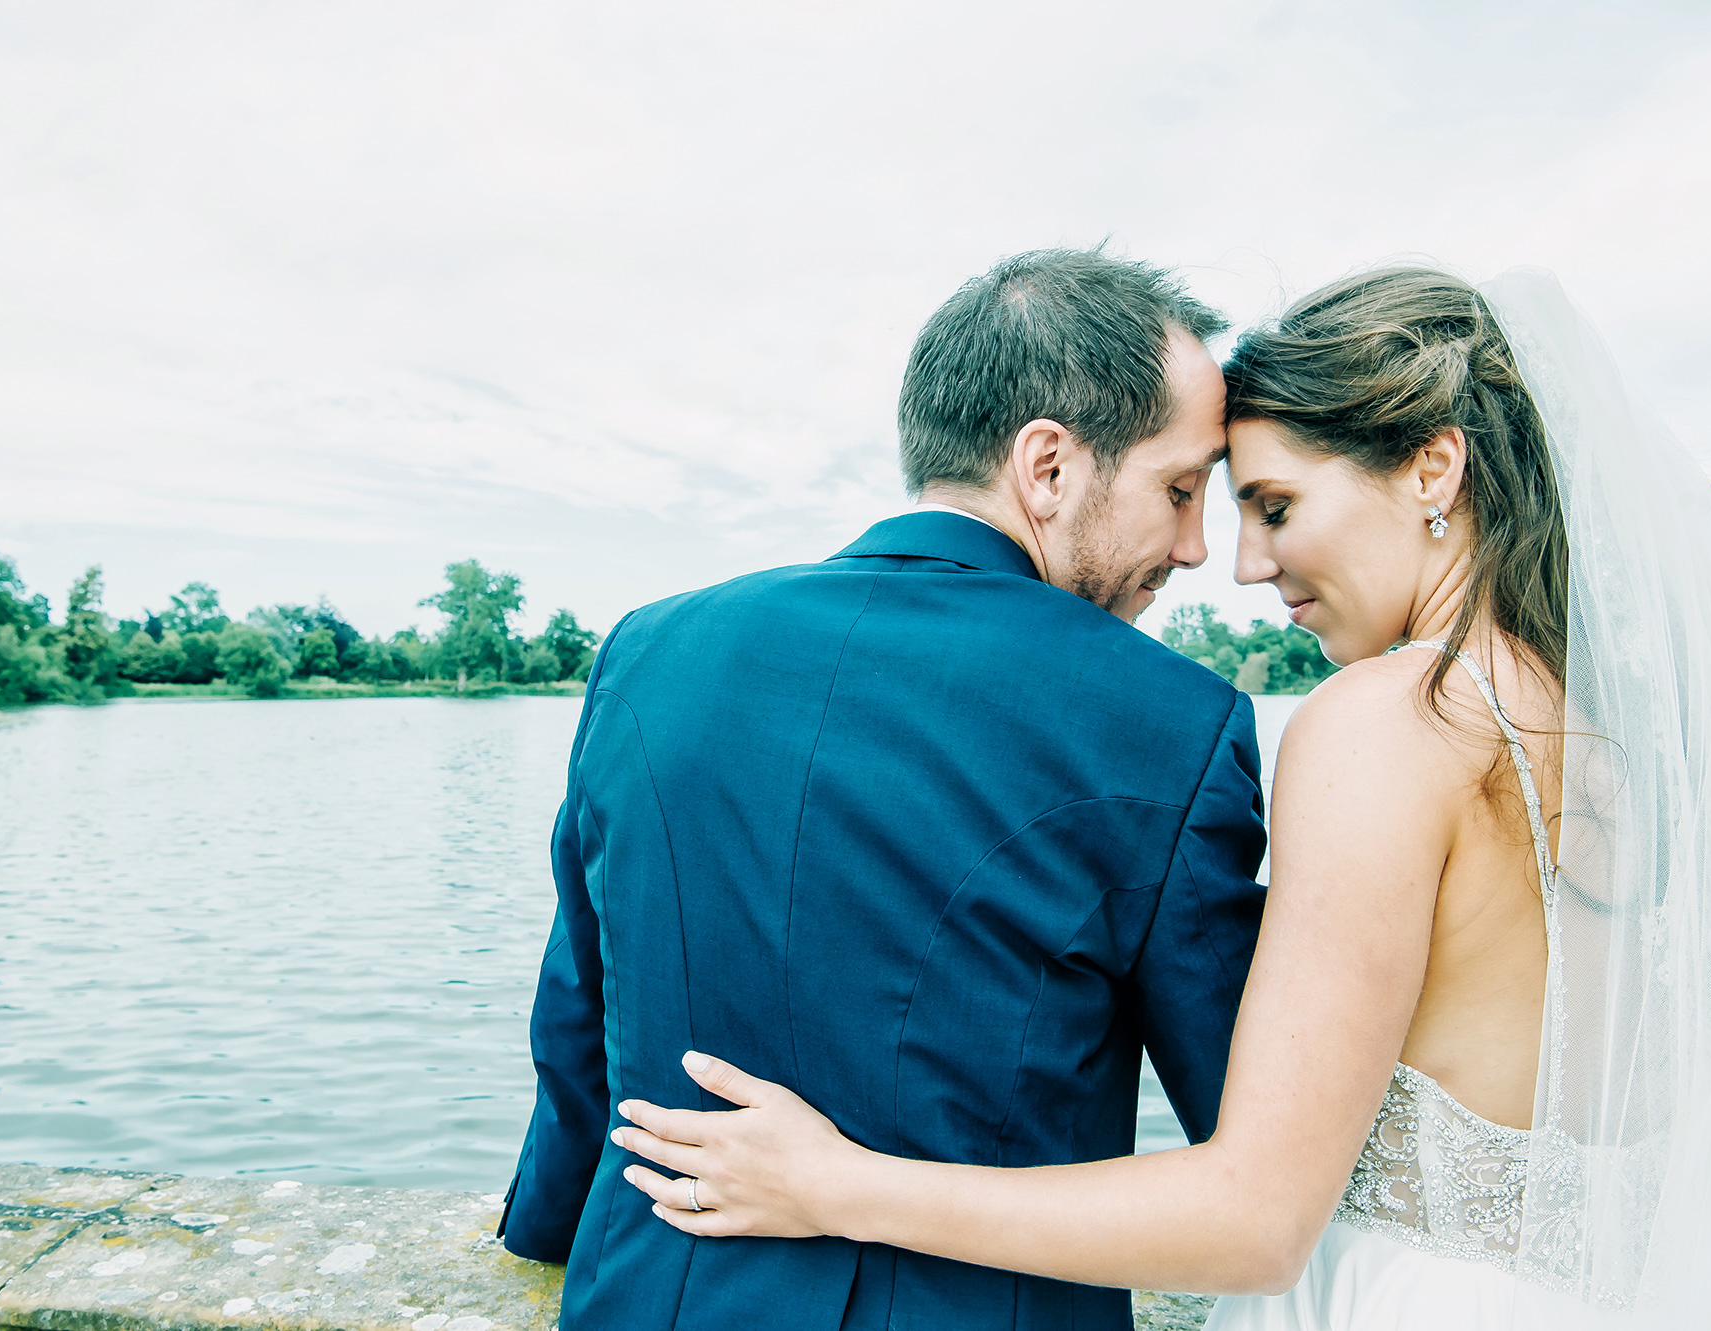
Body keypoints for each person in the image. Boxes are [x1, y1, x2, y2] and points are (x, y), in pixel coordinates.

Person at [611, 268, 1711, 1329]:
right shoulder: (1643, 735)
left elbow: (1251, 1210)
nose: (1237, 560)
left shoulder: (1388, 718)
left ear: (1433, 467)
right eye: (1204, 496)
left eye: (1272, 504)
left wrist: (831, 1182)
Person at [497, 248, 1271, 1330]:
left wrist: (541, 1231)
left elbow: (580, 1015)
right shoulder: (1171, 722)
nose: (1193, 546)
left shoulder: (650, 651)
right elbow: (1249, 1123)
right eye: (1180, 489)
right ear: (1046, 464)